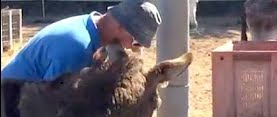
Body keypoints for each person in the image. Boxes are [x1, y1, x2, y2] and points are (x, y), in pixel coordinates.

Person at [1, 0, 162, 81]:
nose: (130, 48)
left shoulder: (89, 26)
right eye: (135, 43)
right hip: (10, 113)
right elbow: (52, 109)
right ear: (122, 27)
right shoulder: (78, 48)